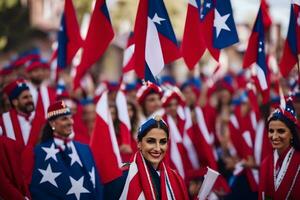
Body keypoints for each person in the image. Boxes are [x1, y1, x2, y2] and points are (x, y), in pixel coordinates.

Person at [30, 100, 104, 199]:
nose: (70, 122)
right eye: (64, 119)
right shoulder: (40, 152)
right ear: (52, 123)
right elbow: (39, 190)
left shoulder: (85, 149)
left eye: (71, 118)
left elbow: (97, 185)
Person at [104, 115, 189, 199]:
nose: (157, 148)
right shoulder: (120, 177)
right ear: (139, 144)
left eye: (163, 142)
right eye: (151, 141)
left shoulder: (177, 179)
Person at [259, 98, 300, 199]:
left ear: (291, 134)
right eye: (271, 131)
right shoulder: (266, 163)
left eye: (281, 131)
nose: (274, 136)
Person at [0, 79, 41, 147]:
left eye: (31, 96)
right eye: (25, 97)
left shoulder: (41, 119)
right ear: (15, 102)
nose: (30, 100)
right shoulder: (4, 121)